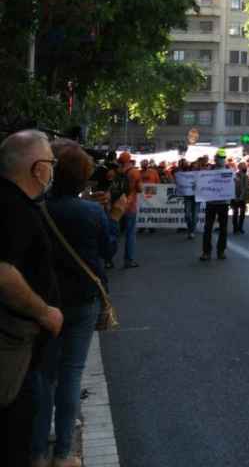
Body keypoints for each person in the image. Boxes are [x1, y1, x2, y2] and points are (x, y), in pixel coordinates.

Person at [32, 142, 125, 467]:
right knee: (71, 374)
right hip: (82, 300)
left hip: (45, 301)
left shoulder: (37, 208)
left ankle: (37, 452)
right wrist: (113, 215)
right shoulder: (91, 212)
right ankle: (64, 453)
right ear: (84, 178)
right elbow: (108, 249)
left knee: (45, 376)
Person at [0, 130, 64, 466]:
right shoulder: (15, 208)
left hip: (20, 345)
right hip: (14, 347)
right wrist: (44, 311)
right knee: (15, 437)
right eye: (51, 163)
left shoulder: (17, 202)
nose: (53, 170)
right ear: (38, 168)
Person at [111, 152, 142, 268]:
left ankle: (108, 259)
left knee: (113, 232)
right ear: (129, 160)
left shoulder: (116, 172)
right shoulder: (134, 172)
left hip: (117, 205)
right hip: (130, 205)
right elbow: (140, 189)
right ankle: (128, 260)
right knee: (130, 233)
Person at [200, 149, 231, 261]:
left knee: (223, 228)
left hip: (223, 204)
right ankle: (206, 252)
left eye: (223, 158)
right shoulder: (209, 170)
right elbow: (203, 182)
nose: (222, 160)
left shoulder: (229, 171)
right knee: (208, 227)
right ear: (216, 158)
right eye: (220, 157)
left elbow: (232, 186)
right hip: (211, 203)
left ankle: (221, 251)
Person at [231, 161, 249, 234]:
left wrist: (245, 197)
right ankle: (235, 228)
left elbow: (247, 187)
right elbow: (233, 186)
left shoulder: (246, 176)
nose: (245, 167)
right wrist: (235, 196)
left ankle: (240, 227)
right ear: (239, 167)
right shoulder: (235, 175)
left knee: (242, 213)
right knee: (235, 212)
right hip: (235, 196)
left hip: (243, 198)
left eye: (245, 166)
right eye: (243, 166)